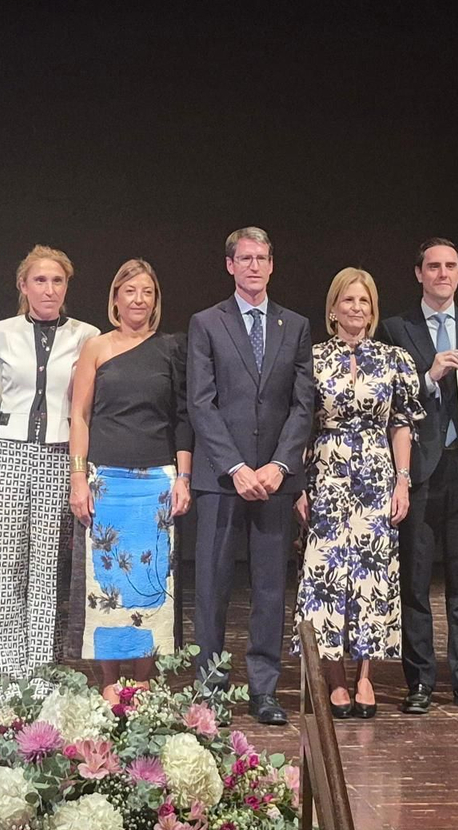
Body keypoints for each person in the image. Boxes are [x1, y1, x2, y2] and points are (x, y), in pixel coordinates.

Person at [187, 226, 315, 725]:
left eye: (263, 257)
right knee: (214, 584)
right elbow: (201, 401)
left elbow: (303, 406)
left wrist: (280, 466)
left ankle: (264, 689)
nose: (255, 266)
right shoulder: (206, 323)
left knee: (268, 587)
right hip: (222, 478)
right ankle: (211, 688)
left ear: (271, 264)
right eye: (246, 258)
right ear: (230, 265)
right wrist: (237, 467)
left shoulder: (295, 325)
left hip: (275, 480)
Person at [381, 238, 458, 714]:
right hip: (417, 471)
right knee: (414, 581)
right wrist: (428, 376)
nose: (442, 274)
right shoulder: (396, 328)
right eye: (433, 266)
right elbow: (389, 399)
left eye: (451, 266)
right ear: (418, 274)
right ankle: (420, 682)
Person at [295, 267, 422, 719]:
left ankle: (366, 676)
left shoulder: (394, 359)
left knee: (372, 577)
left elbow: (402, 423)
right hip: (326, 474)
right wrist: (298, 486)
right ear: (333, 309)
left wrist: (402, 480)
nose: (356, 308)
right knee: (326, 578)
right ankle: (333, 681)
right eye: (348, 300)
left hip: (375, 474)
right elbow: (301, 425)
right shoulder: (311, 358)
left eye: (364, 301)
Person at [66, 259, 192, 700]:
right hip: (107, 481)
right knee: (108, 589)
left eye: (148, 292)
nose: (139, 299)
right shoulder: (95, 348)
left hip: (156, 483)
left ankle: (141, 680)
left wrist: (184, 477)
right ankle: (106, 683)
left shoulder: (172, 349)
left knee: (151, 586)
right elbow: (79, 417)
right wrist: (77, 478)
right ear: (115, 297)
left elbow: (182, 419)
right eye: (131, 291)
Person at [0, 245, 99, 686]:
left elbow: (85, 405)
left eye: (57, 281)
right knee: (6, 559)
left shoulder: (86, 335)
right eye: (39, 280)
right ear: (23, 285)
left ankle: (40, 672)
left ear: (66, 286)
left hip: (59, 454)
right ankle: (1, 673)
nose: (48, 289)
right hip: (9, 451)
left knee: (49, 564)